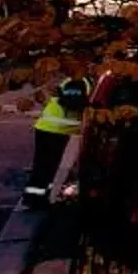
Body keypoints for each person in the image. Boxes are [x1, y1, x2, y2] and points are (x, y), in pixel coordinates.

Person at [26, 77, 86, 206]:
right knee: (48, 166)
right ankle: (38, 199)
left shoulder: (73, 80)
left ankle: (35, 197)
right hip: (56, 129)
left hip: (49, 127)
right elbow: (71, 103)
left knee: (43, 166)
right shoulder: (80, 81)